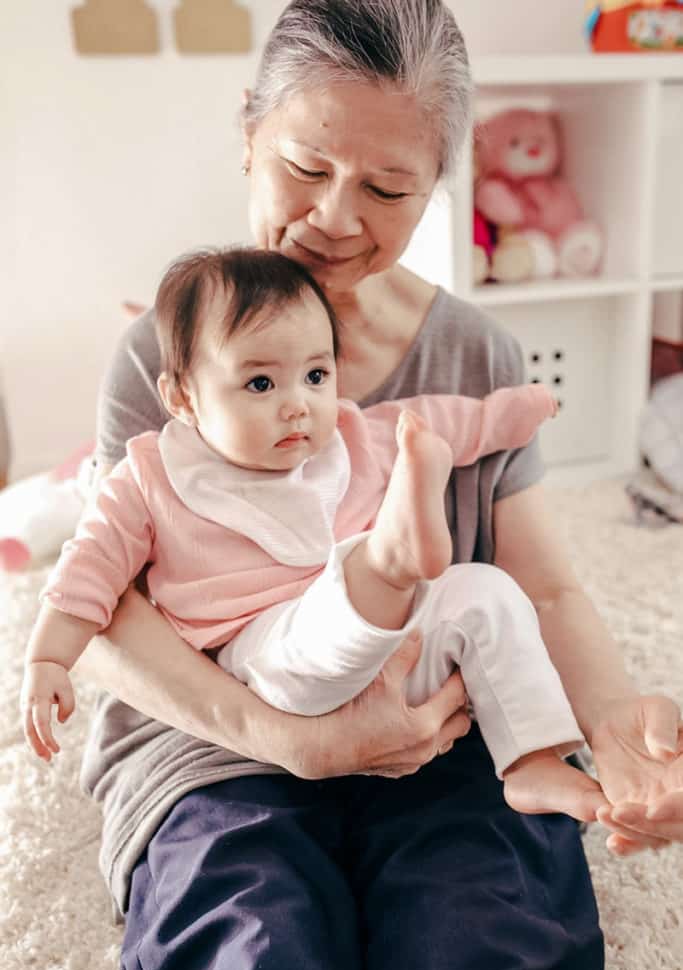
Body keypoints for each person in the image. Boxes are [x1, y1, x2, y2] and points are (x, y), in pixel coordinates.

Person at [34, 2, 682, 970]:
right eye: (304, 168)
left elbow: (543, 584)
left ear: (436, 187)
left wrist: (608, 729)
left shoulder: (474, 358)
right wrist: (287, 739)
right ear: (246, 135)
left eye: (386, 187)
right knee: (251, 963)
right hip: (217, 735)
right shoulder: (162, 358)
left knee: (493, 956)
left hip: (433, 715)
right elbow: (102, 609)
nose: (335, 216)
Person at [22, 246, 585, 809]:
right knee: (347, 594)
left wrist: (518, 410)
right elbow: (88, 569)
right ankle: (392, 554)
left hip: (399, 664)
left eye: (316, 375)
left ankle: (532, 761)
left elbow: (454, 420)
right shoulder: (150, 478)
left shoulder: (355, 435)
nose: (298, 405)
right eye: (261, 385)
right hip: (270, 667)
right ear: (182, 398)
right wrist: (48, 658)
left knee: (485, 592)